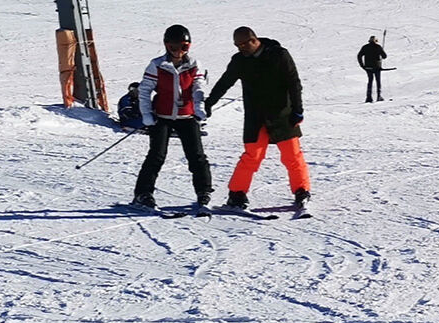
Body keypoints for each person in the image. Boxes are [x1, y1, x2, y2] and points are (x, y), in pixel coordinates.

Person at [205, 27, 311, 211]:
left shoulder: (279, 55)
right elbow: (225, 82)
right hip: (255, 117)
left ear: (253, 40)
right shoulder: (240, 60)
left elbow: (294, 83)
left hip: (282, 114)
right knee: (252, 156)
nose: (240, 49)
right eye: (237, 46)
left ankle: (302, 191)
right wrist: (209, 103)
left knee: (292, 155)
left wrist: (298, 110)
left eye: (243, 45)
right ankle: (236, 194)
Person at [131, 25, 213, 210]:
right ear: (167, 45)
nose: (178, 51)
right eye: (174, 47)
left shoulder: (194, 64)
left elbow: (198, 87)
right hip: (162, 116)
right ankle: (143, 193)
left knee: (196, 156)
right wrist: (146, 114)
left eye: (183, 47)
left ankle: (204, 191)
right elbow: (145, 90)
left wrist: (199, 106)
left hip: (187, 116)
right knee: (157, 155)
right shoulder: (157, 65)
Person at [357, 35, 387, 103]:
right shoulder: (378, 47)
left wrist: (362, 65)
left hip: (368, 67)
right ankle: (379, 96)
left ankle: (369, 97)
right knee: (378, 81)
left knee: (370, 81)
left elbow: (359, 56)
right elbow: (384, 56)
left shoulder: (365, 47)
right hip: (377, 67)